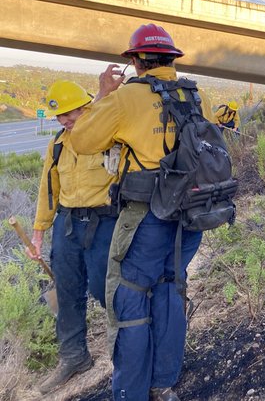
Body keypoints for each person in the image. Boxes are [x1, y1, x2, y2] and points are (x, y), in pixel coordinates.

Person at [70, 24, 217, 401]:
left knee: (130, 296)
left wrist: (104, 93)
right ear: (170, 59)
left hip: (147, 215)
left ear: (136, 60)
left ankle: (130, 392)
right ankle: (163, 383)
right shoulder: (190, 92)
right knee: (170, 288)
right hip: (189, 213)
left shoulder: (127, 97)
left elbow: (81, 139)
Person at [29, 81, 118, 395]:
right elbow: (48, 191)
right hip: (66, 224)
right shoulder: (57, 144)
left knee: (104, 288)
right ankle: (74, 357)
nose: (64, 120)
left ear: (86, 106)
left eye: (69, 113)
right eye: (59, 116)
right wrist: (39, 234)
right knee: (66, 291)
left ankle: (125, 353)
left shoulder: (108, 134)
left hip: (103, 222)